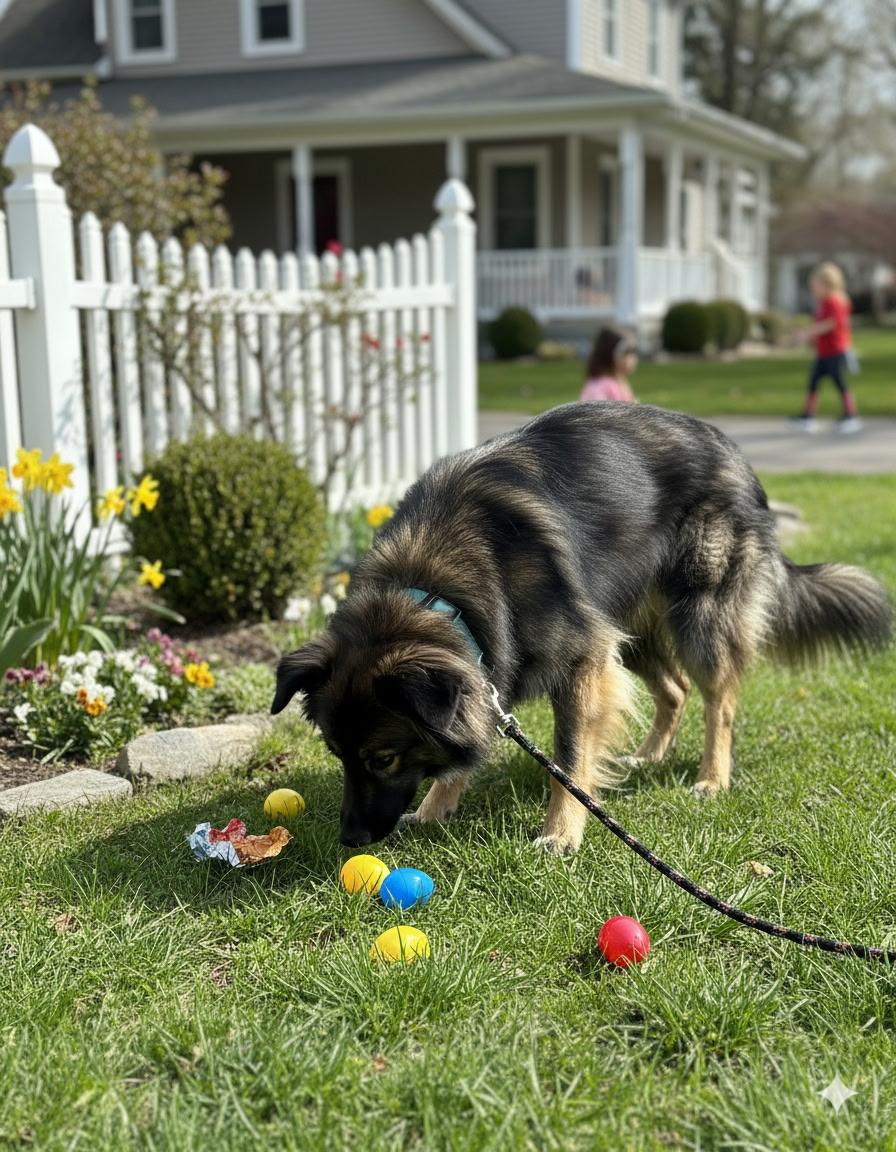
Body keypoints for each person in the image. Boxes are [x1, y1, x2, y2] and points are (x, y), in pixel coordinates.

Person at [791, 262, 861, 433]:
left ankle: (851, 416)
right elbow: (821, 324)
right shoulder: (823, 303)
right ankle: (807, 416)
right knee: (813, 383)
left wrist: (807, 333)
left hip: (835, 351)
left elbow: (830, 324)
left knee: (840, 383)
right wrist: (811, 337)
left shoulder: (835, 302)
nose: (813, 288)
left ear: (827, 284)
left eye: (815, 285)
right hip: (823, 352)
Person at [580, 325, 638, 403]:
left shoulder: (620, 381)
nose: (632, 358)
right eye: (627, 352)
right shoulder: (599, 386)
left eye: (633, 351)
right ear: (610, 355)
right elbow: (597, 413)